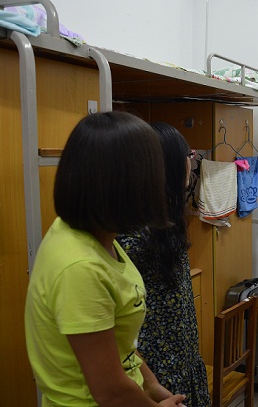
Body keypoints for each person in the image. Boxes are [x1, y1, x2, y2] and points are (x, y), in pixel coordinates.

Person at [24, 111, 187, 407]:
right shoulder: (81, 268)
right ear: (127, 185)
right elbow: (110, 391)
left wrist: (151, 385)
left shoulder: (95, 235)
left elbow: (118, 344)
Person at [117, 122, 210, 406]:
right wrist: (150, 382)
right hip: (156, 368)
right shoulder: (134, 233)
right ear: (166, 164)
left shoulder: (164, 218)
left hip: (181, 358)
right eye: (188, 155)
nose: (191, 162)